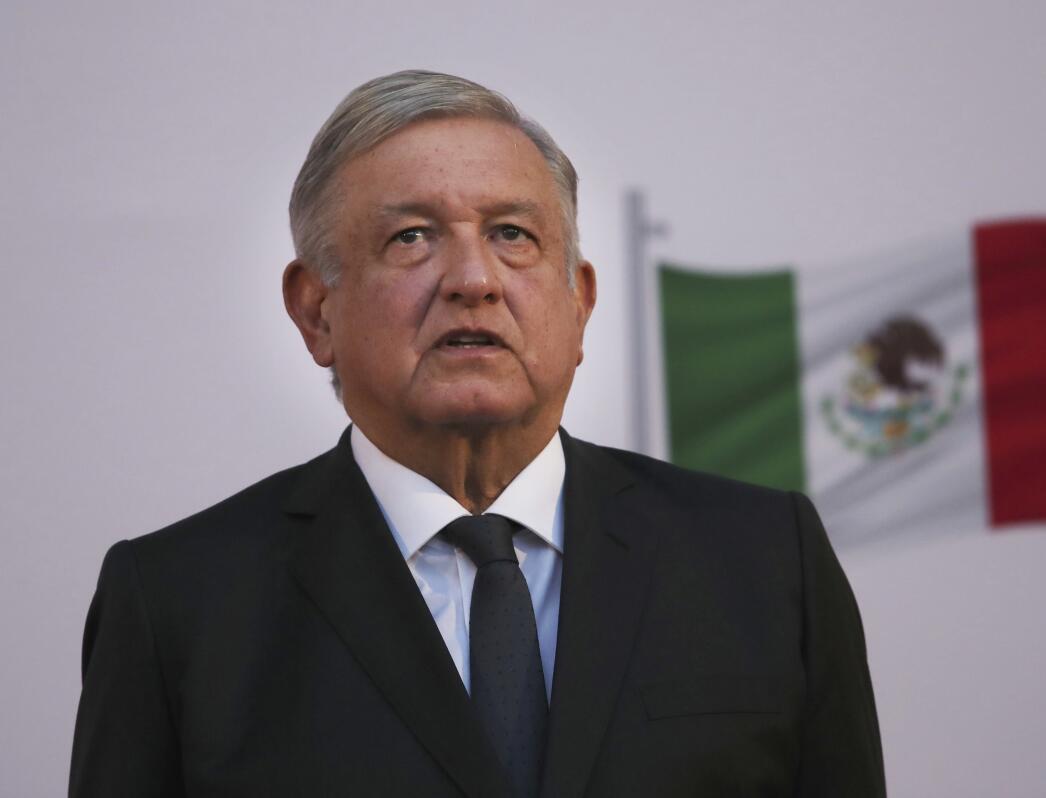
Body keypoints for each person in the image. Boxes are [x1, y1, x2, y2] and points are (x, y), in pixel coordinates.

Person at [69, 70, 886, 797]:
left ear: (580, 304)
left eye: (513, 235)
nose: (472, 280)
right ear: (316, 311)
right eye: (411, 237)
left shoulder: (767, 561)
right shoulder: (176, 603)